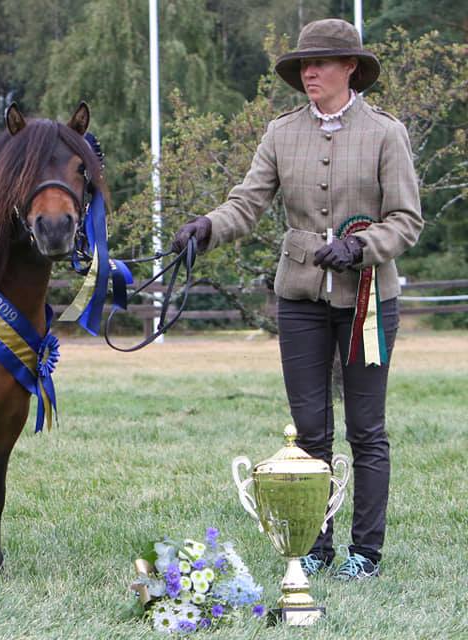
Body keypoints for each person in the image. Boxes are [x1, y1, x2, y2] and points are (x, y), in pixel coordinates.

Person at [172, 18, 423, 580]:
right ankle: (315, 545)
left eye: (321, 63)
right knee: (309, 430)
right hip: (300, 299)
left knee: (366, 430)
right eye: (303, 65)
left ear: (349, 68)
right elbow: (246, 203)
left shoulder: (386, 133)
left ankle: (366, 552)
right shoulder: (281, 132)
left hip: (368, 305)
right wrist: (206, 227)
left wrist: (361, 246)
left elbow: (407, 221)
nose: (309, 72)